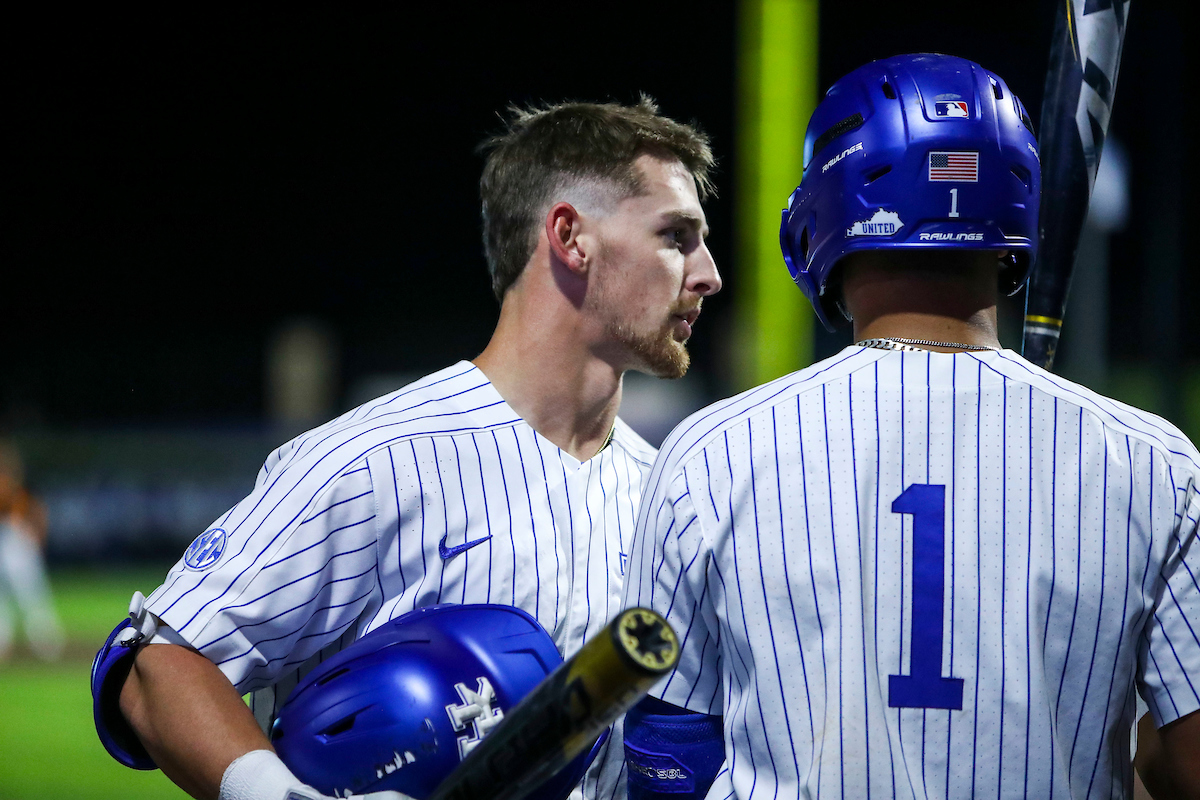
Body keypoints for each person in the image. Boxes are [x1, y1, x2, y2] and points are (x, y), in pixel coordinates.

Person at [97, 97, 723, 800]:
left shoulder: (667, 491)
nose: (708, 274)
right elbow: (159, 662)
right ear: (571, 236)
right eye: (677, 236)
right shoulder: (374, 459)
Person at [621, 54, 1200, 799]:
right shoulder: (1153, 465)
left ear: (827, 214)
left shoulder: (713, 451)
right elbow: (1188, 767)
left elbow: (667, 756)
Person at [0, 438, 65, 662]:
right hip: (7, 540)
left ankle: (47, 644)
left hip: (15, 541)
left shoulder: (18, 489)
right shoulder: (13, 487)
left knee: (31, 595)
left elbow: (35, 511)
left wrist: (37, 535)